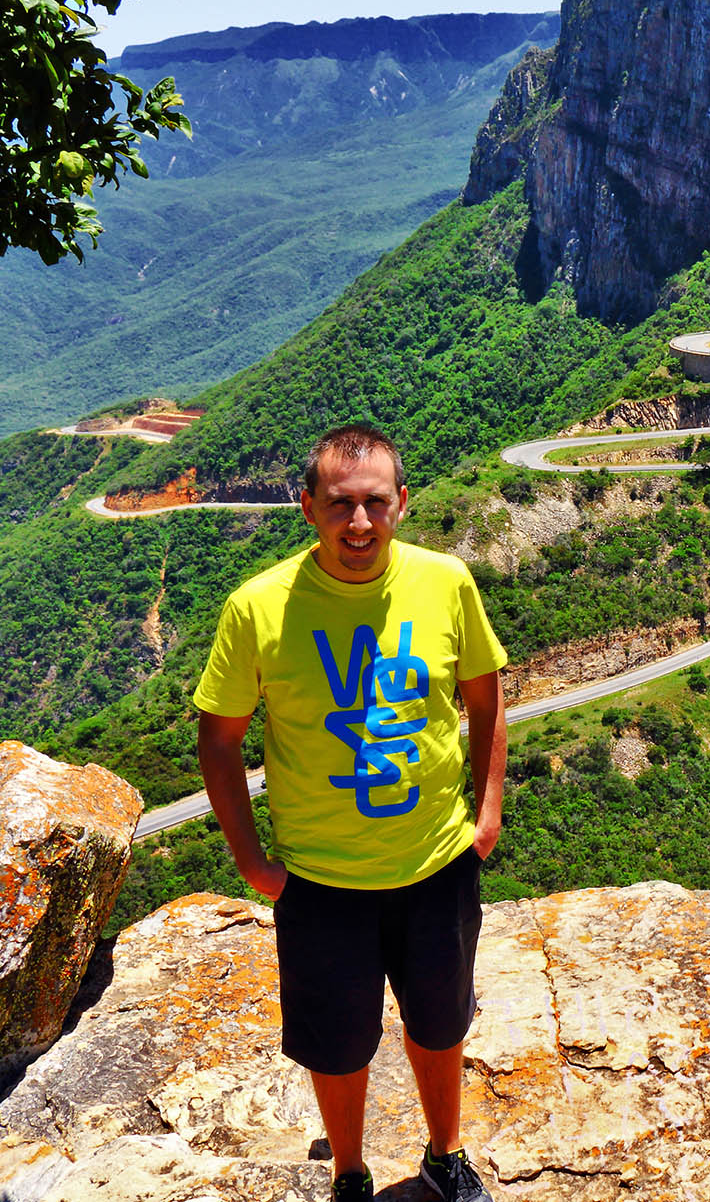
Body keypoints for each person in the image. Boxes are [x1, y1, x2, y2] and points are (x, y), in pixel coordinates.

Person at [194, 424, 508, 1202]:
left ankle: (444, 1155)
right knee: (337, 1048)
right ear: (308, 507)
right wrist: (253, 863)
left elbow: (486, 695)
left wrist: (488, 808)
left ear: (402, 503)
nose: (358, 523)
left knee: (441, 1025)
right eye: (340, 505)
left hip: (436, 864)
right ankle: (351, 1174)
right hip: (323, 880)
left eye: (374, 503)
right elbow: (219, 741)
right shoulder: (258, 608)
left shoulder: (446, 582)